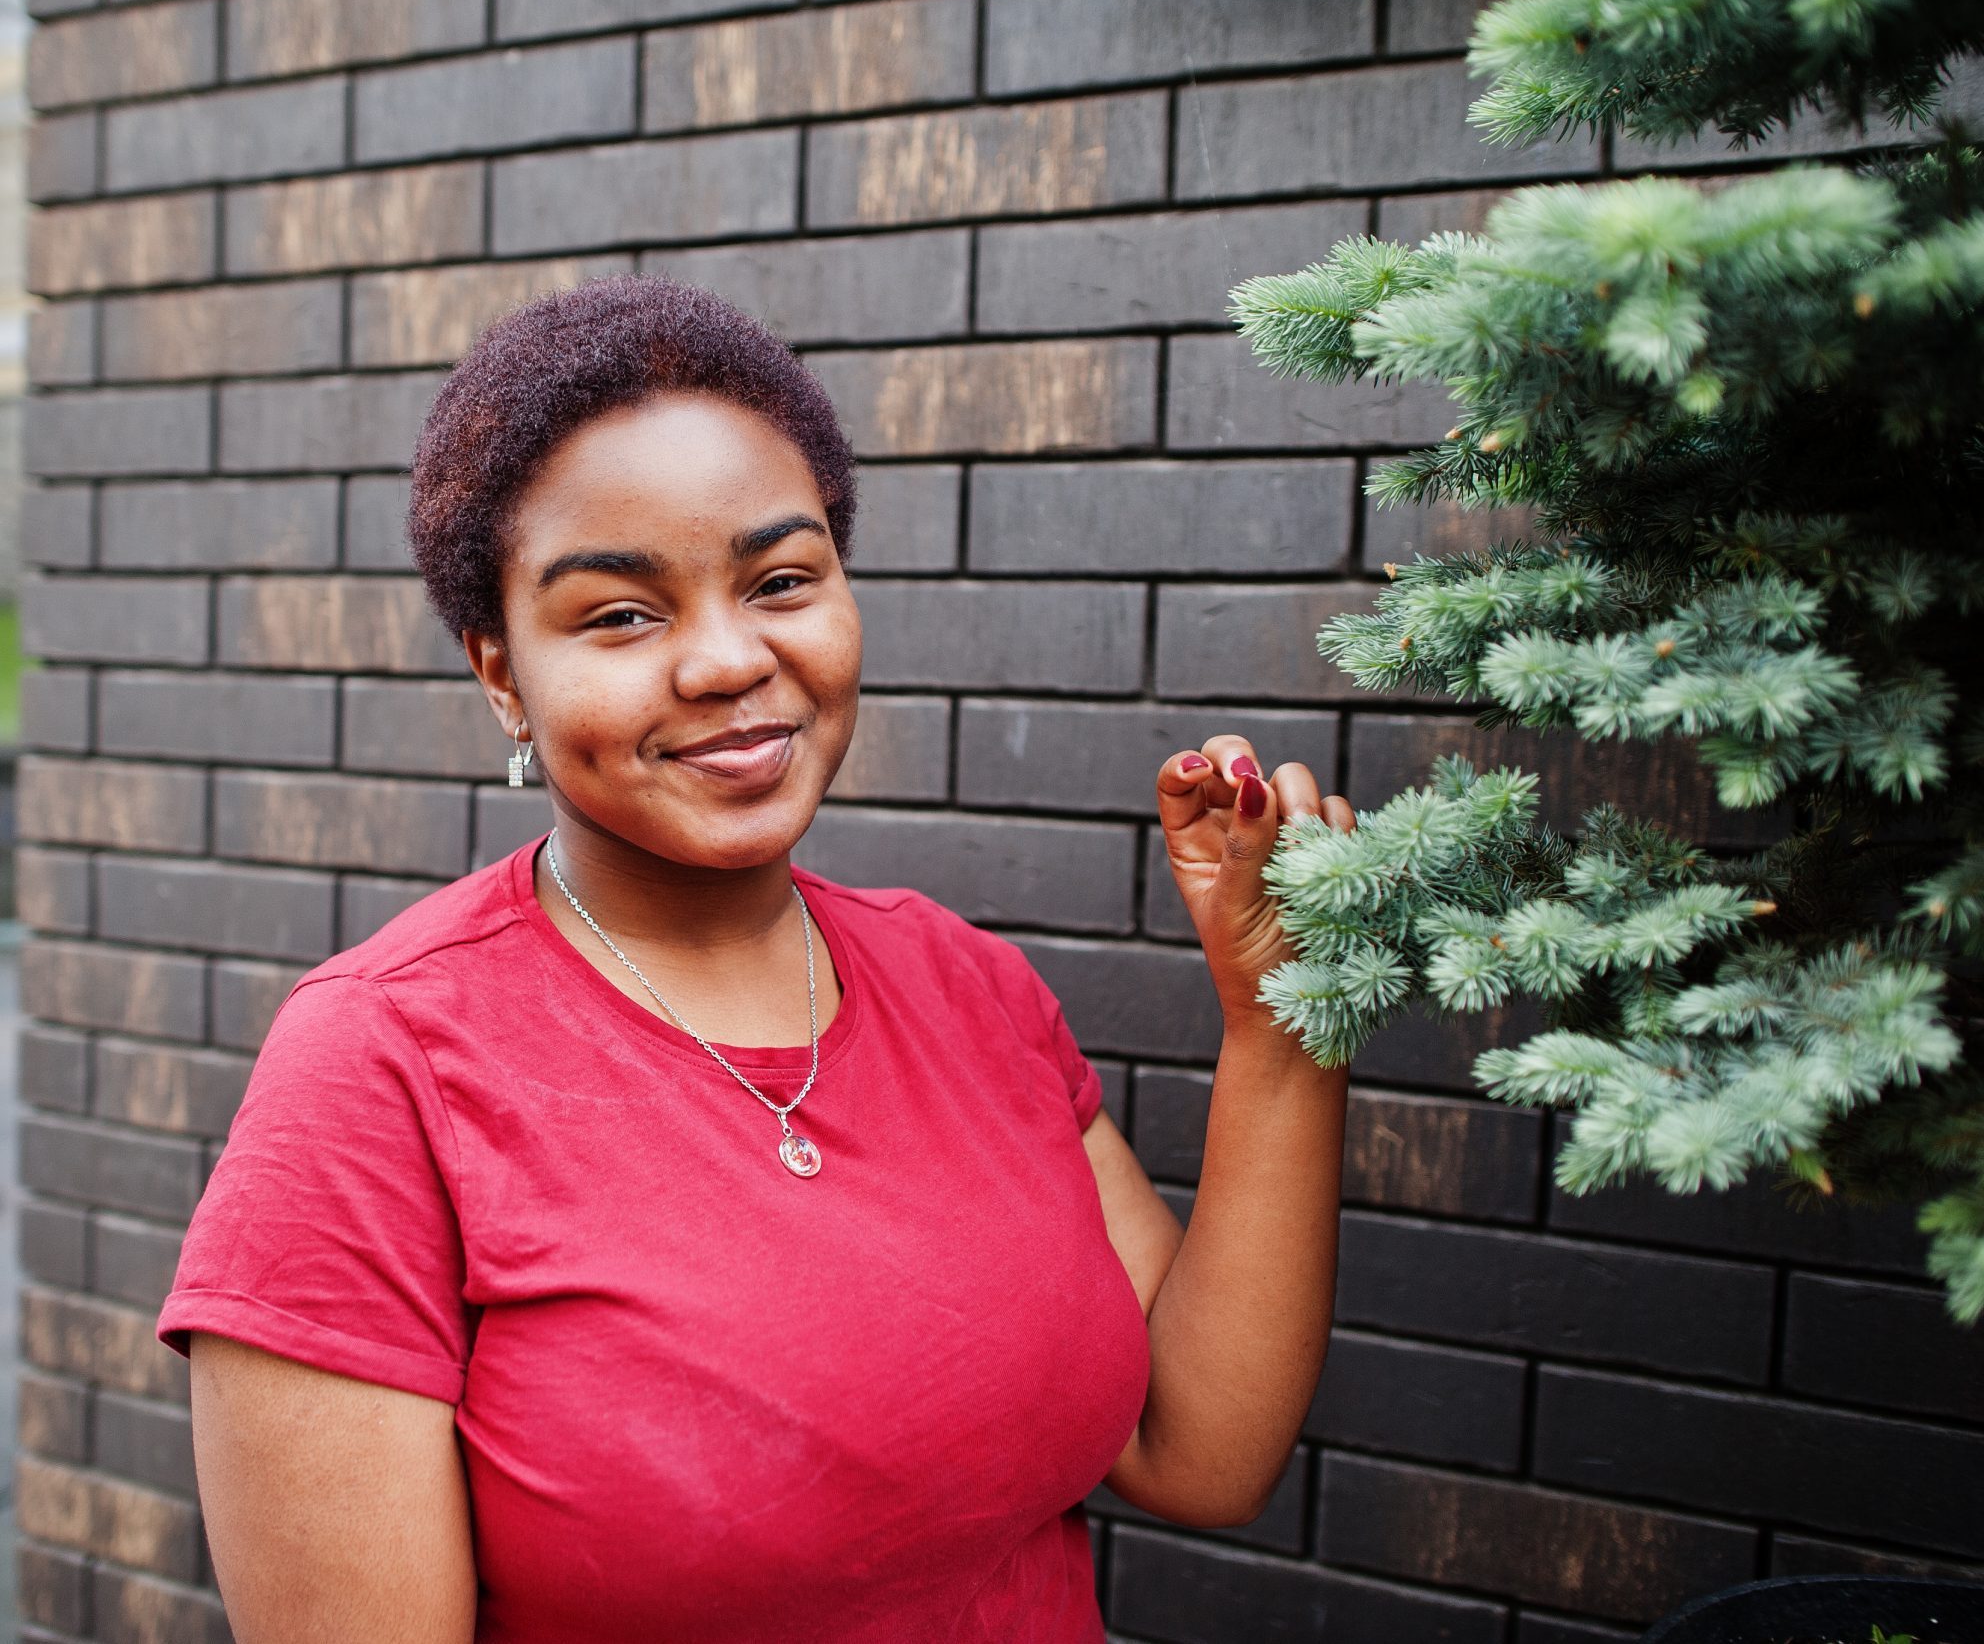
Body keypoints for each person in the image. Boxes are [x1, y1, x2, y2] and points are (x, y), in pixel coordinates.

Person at [154, 273, 1358, 1643]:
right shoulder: (382, 1067)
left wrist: (1282, 1025)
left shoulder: (967, 987)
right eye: (620, 613)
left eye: (782, 579)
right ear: (502, 674)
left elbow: (1197, 1446)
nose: (731, 658)